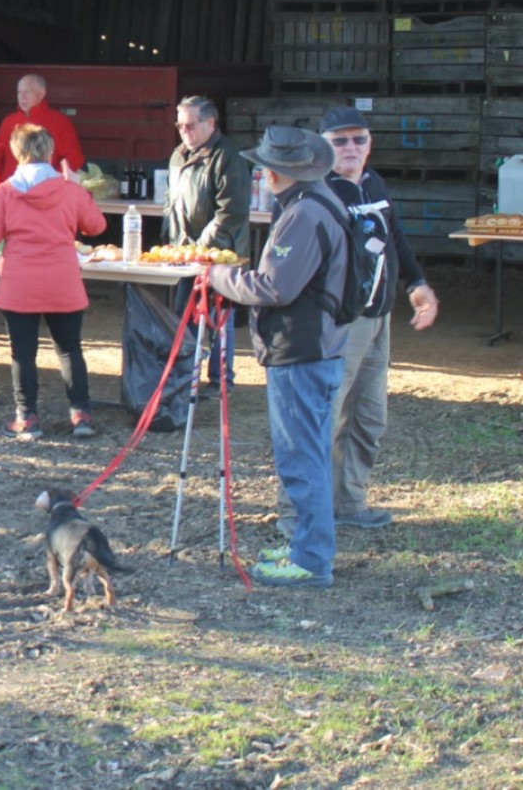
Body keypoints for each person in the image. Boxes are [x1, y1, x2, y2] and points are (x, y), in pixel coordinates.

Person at [208, 125, 350, 589]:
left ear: (278, 172)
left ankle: (310, 558)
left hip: (301, 349)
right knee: (308, 452)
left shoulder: (304, 215)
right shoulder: (319, 202)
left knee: (301, 456)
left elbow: (275, 286)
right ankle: (306, 546)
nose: (261, 173)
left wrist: (219, 278)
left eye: (266, 166)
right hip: (315, 347)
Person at [285, 106, 438, 532]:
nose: (351, 148)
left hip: (378, 319)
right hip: (336, 324)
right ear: (323, 146)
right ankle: (297, 515)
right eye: (340, 141)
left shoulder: (373, 183)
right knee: (321, 418)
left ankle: (348, 502)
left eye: (359, 139)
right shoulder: (316, 193)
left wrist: (417, 282)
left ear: (370, 142)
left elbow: (395, 239)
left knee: (369, 419)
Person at [0, 123, 106, 439]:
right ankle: (81, 414)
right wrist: (81, 191)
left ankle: (27, 417)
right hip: (63, 280)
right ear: (50, 151)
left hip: (20, 283)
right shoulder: (69, 190)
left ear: (17, 152)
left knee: (23, 352)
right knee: (70, 349)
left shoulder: (5, 192)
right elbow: (96, 225)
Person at [164, 96, 251, 391]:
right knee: (185, 315)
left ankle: (220, 380)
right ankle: (185, 377)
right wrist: (172, 240)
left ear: (211, 123)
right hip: (186, 253)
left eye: (190, 124)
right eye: (180, 124)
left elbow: (232, 210)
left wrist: (202, 247)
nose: (184, 130)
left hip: (220, 254)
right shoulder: (178, 155)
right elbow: (171, 201)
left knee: (218, 318)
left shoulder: (228, 157)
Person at [0, 73, 85, 183]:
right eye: (19, 92)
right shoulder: (8, 121)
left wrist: (54, 181)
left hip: (46, 193)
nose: (22, 96)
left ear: (41, 94)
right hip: (12, 192)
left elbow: (74, 157)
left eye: (27, 92)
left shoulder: (59, 121)